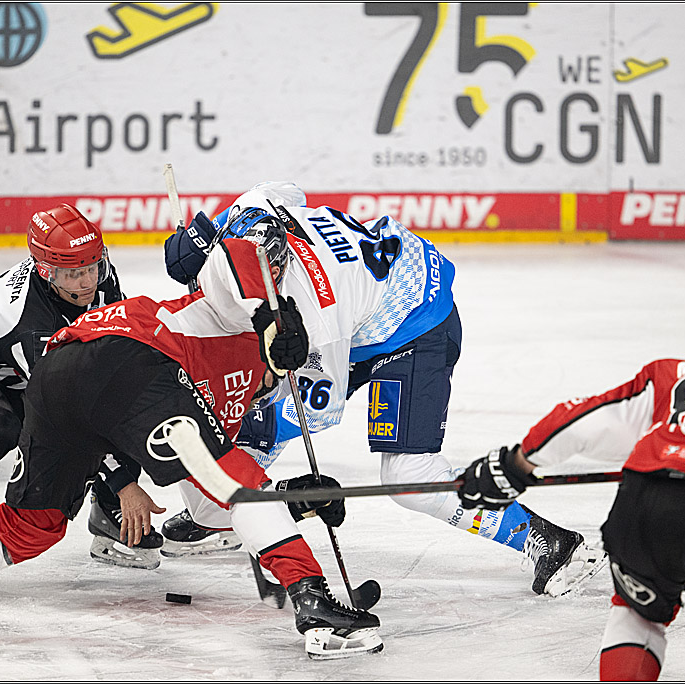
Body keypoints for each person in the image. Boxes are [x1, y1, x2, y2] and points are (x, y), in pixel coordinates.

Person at [0, 237, 385, 660]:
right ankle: (314, 608)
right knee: (237, 478)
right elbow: (231, 260)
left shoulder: (233, 398)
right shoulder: (243, 313)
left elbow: (208, 504)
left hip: (60, 375)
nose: (276, 384)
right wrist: (269, 317)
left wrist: (292, 498)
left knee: (31, 526)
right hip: (128, 357)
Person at [159, 182, 606, 597]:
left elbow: (317, 406)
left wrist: (252, 412)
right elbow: (287, 191)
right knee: (255, 412)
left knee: (408, 477)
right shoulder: (251, 210)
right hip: (369, 298)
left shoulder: (316, 314)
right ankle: (230, 513)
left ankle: (548, 541)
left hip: (413, 327)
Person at [457, 281, 685, 680]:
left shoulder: (672, 375)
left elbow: (583, 420)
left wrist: (514, 467)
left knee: (637, 619)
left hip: (644, 509)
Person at [0, 204, 163, 570]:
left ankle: (108, 512)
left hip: (15, 376)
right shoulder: (31, 325)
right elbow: (71, 413)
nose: (87, 282)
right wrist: (123, 482)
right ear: (45, 271)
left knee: (124, 381)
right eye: (73, 275)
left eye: (92, 268)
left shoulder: (94, 274)